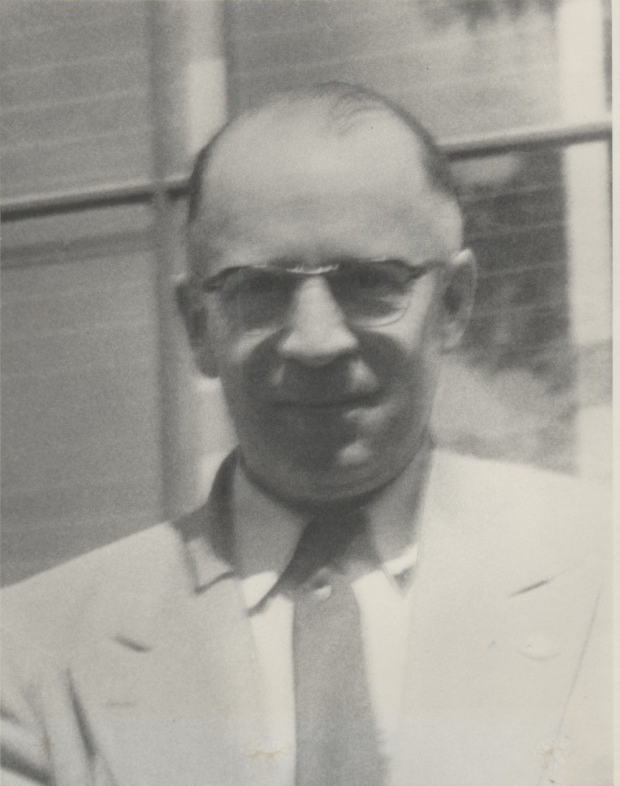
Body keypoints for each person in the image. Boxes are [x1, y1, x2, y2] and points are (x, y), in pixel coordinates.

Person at [1, 83, 610, 786]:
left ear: (453, 303)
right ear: (199, 326)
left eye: (368, 282)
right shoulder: (34, 661)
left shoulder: (603, 582)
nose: (316, 342)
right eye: (258, 290)